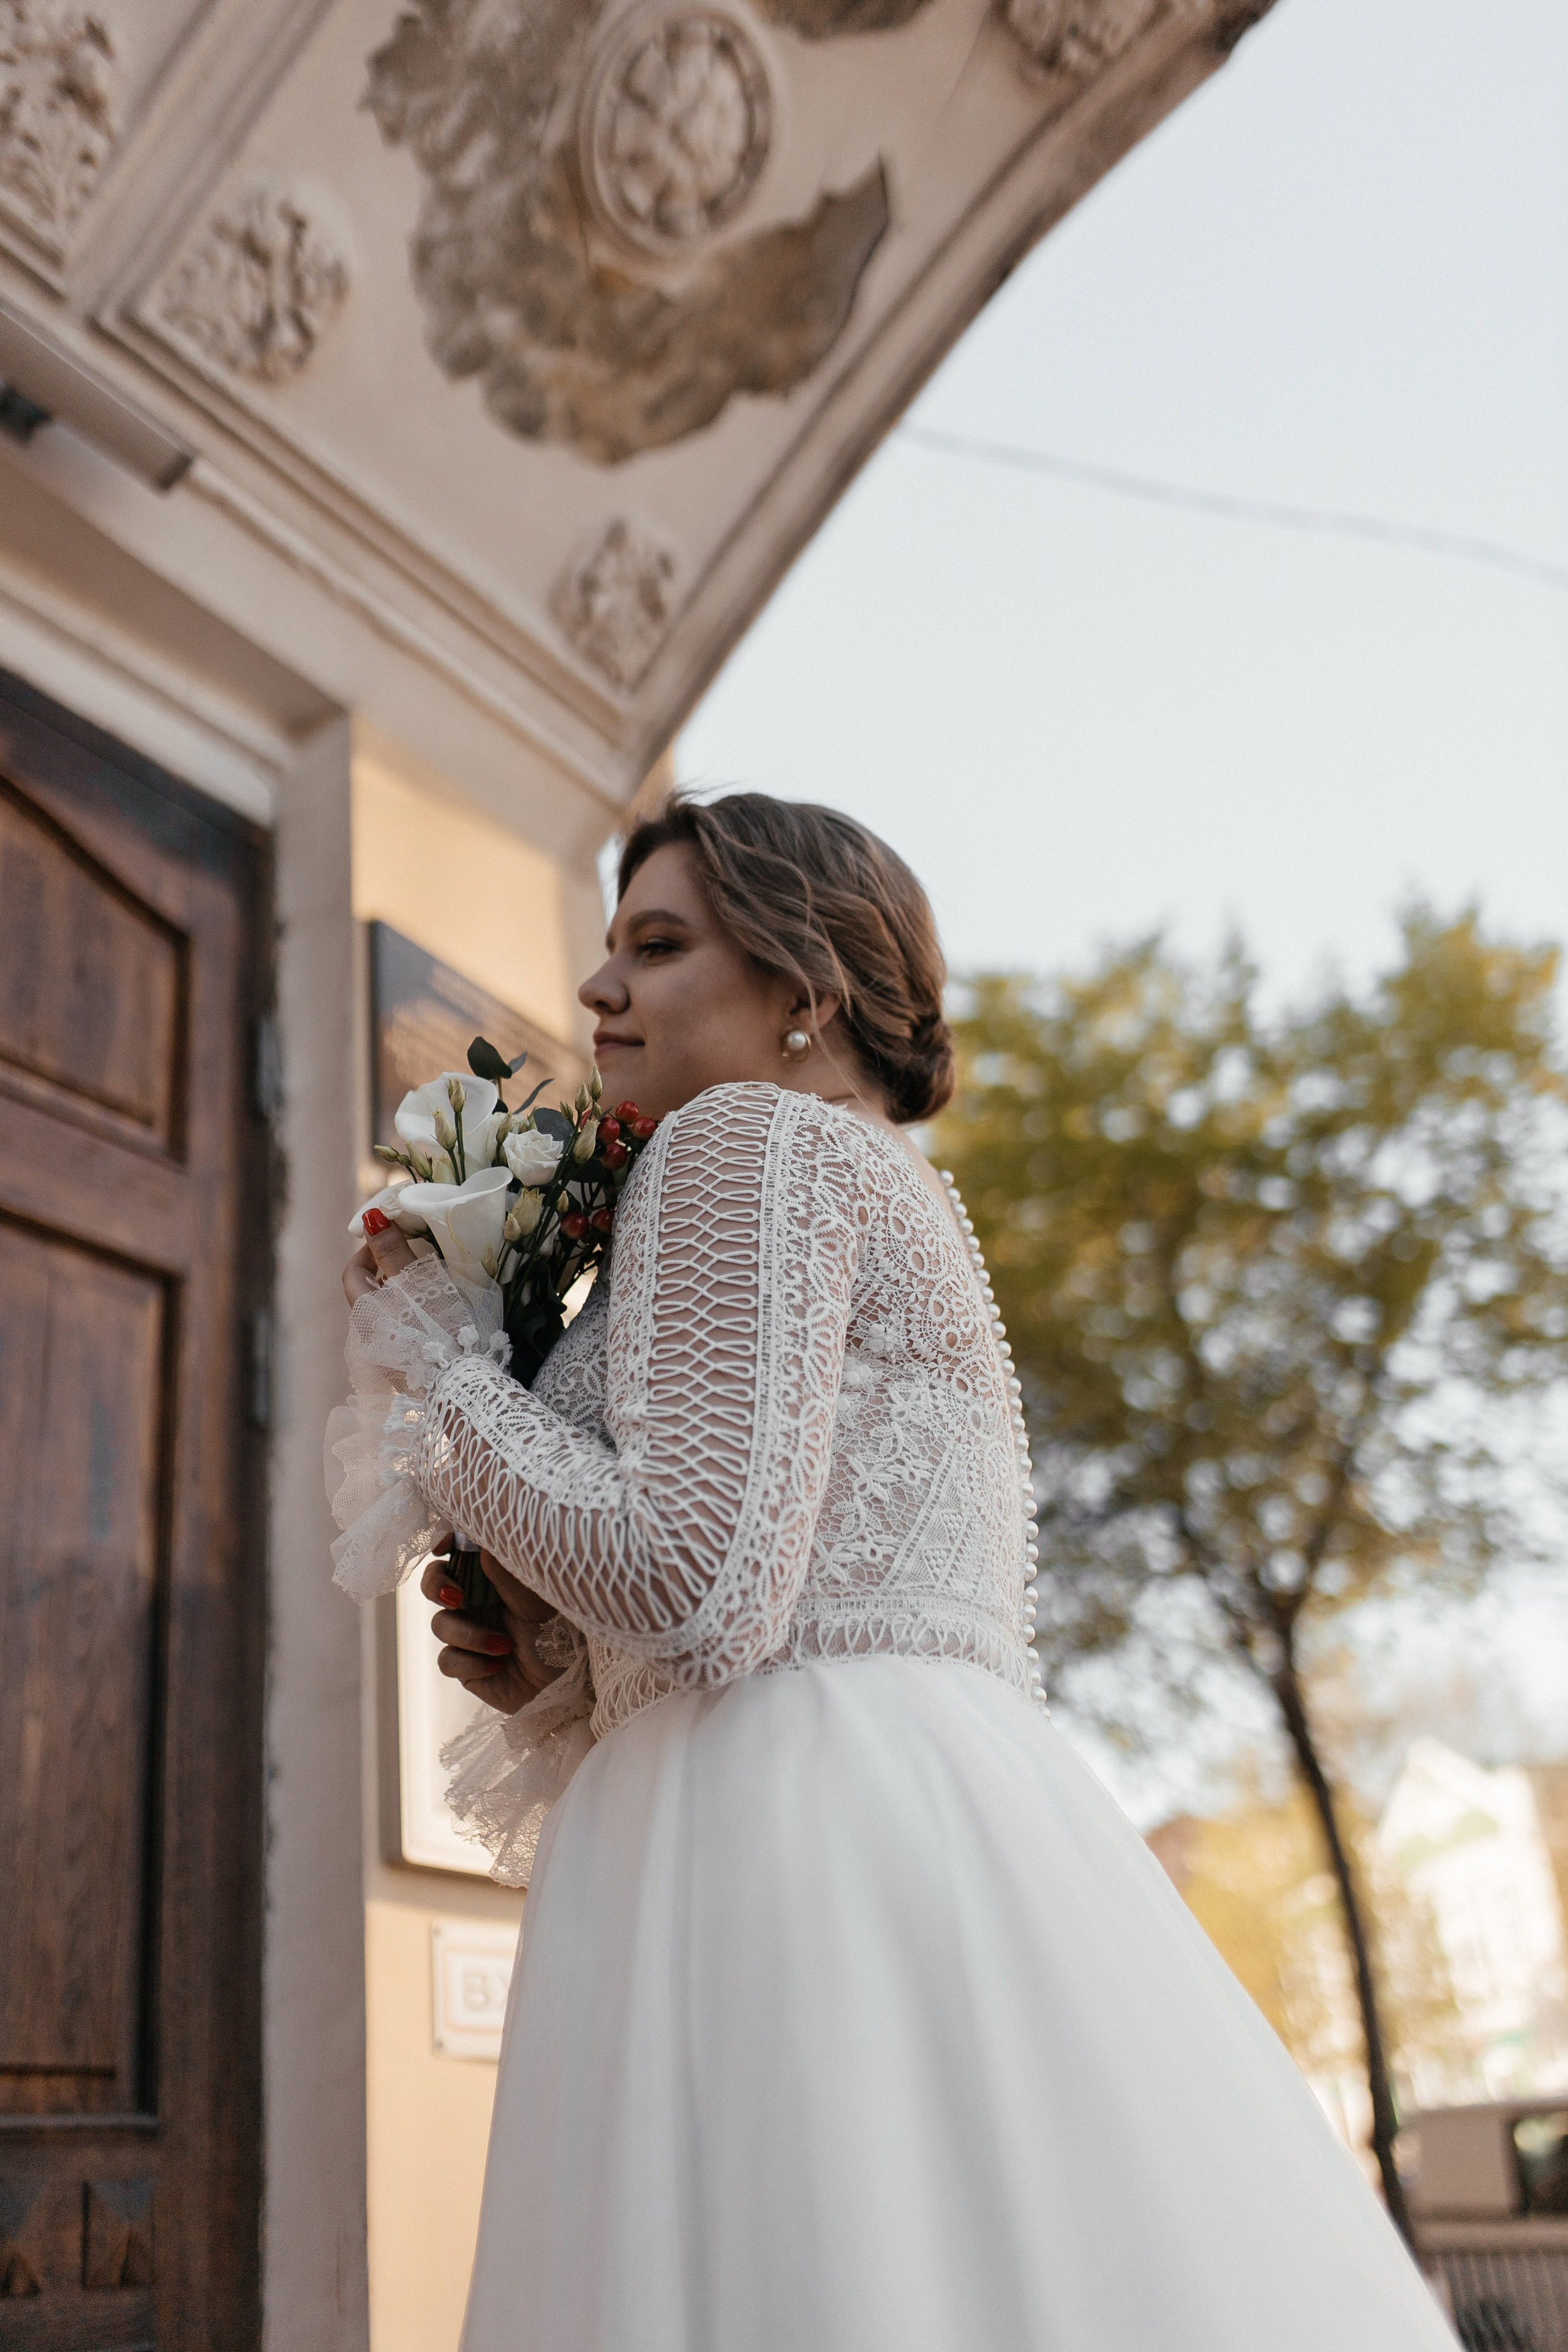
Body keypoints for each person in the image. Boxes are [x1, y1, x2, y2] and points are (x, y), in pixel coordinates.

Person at [336, 794, 1451, 2352]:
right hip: (886, 1794)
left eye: (656, 946)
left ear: (806, 989)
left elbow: (694, 1585)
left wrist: (439, 1366)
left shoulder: (740, 1140)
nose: (597, 992)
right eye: (610, 949)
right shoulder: (859, 1171)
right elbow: (747, 1587)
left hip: (777, 1831)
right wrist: (551, 1661)